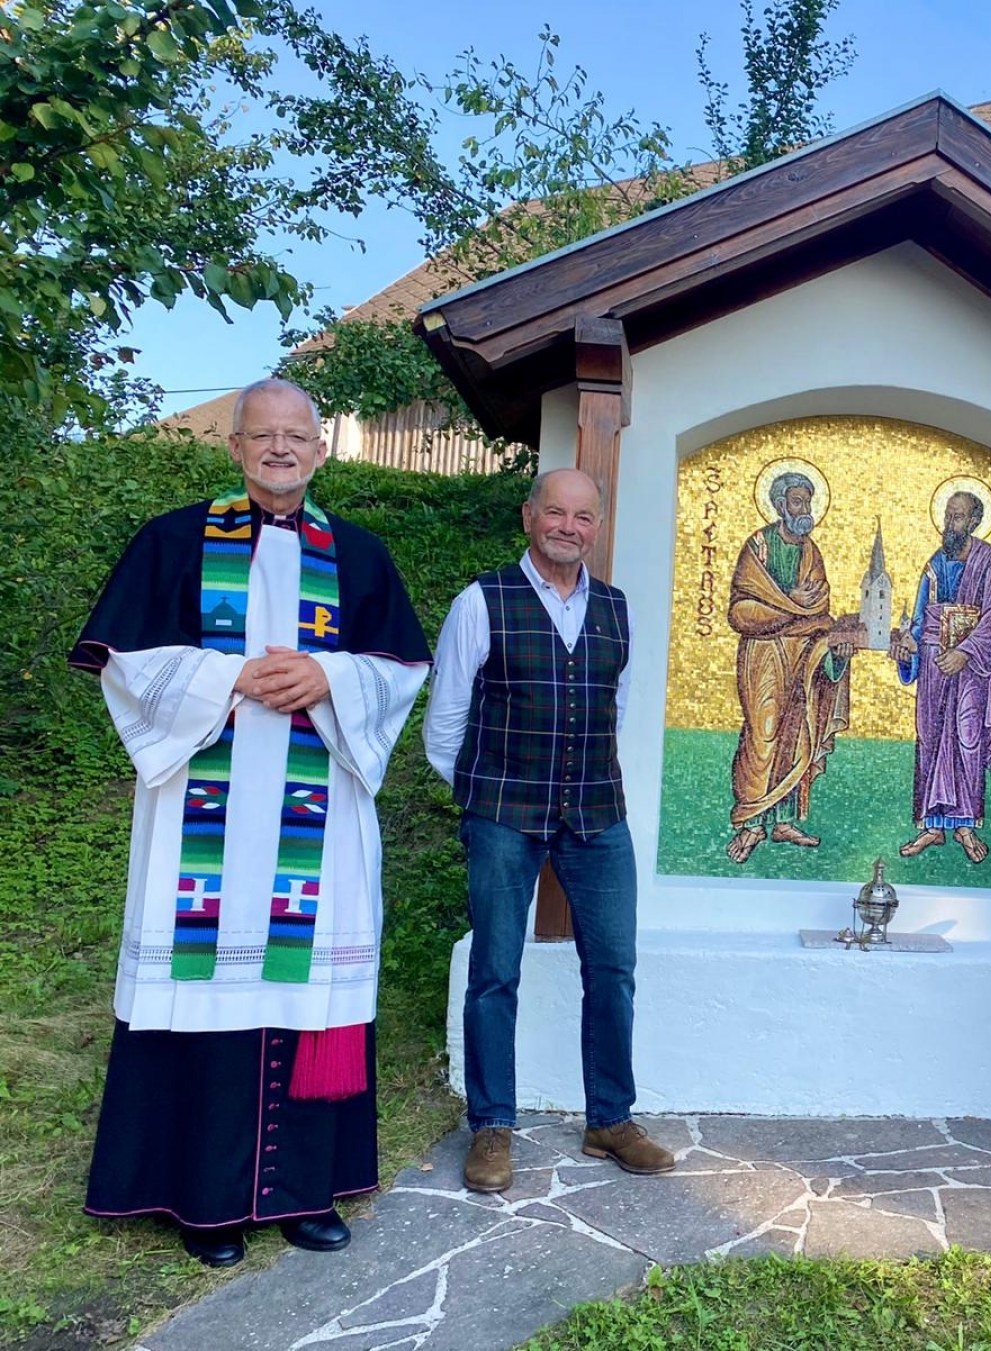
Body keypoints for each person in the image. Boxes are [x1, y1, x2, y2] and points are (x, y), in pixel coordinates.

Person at [71, 378, 431, 1268]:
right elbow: (123, 660)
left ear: (320, 449)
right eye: (262, 435)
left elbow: (396, 669)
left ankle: (307, 1194)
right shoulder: (172, 541)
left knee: (308, 991)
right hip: (208, 814)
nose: (280, 449)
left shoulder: (358, 554)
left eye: (295, 436)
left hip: (317, 815)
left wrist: (329, 680)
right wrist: (226, 677)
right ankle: (208, 1202)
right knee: (207, 989)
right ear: (234, 447)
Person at [424, 468, 674, 1193]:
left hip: (598, 814)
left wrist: (577, 782)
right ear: (530, 516)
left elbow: (612, 712)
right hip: (503, 815)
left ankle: (610, 1118)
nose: (569, 526)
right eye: (556, 512)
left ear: (596, 526)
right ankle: (493, 1125)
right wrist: (484, 799)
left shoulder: (617, 610)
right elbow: (445, 726)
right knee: (495, 970)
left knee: (614, 968)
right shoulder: (482, 601)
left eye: (583, 516)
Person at [724, 471, 859, 864]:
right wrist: (790, 604)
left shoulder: (811, 551)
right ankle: (751, 822)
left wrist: (821, 630)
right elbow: (742, 612)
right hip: (764, 656)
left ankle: (783, 821)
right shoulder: (758, 547)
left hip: (803, 653)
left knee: (796, 733)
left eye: (808, 502)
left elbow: (818, 606)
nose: (805, 510)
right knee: (763, 733)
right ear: (781, 505)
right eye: (797, 502)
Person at [895, 490, 991, 863]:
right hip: (933, 664)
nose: (950, 523)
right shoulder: (934, 563)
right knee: (930, 736)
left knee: (966, 738)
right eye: (948, 516)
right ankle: (932, 826)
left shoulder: (987, 561)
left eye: (958, 517)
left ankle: (964, 825)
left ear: (974, 522)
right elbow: (918, 619)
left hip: (970, 669)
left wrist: (965, 652)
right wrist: (907, 646)